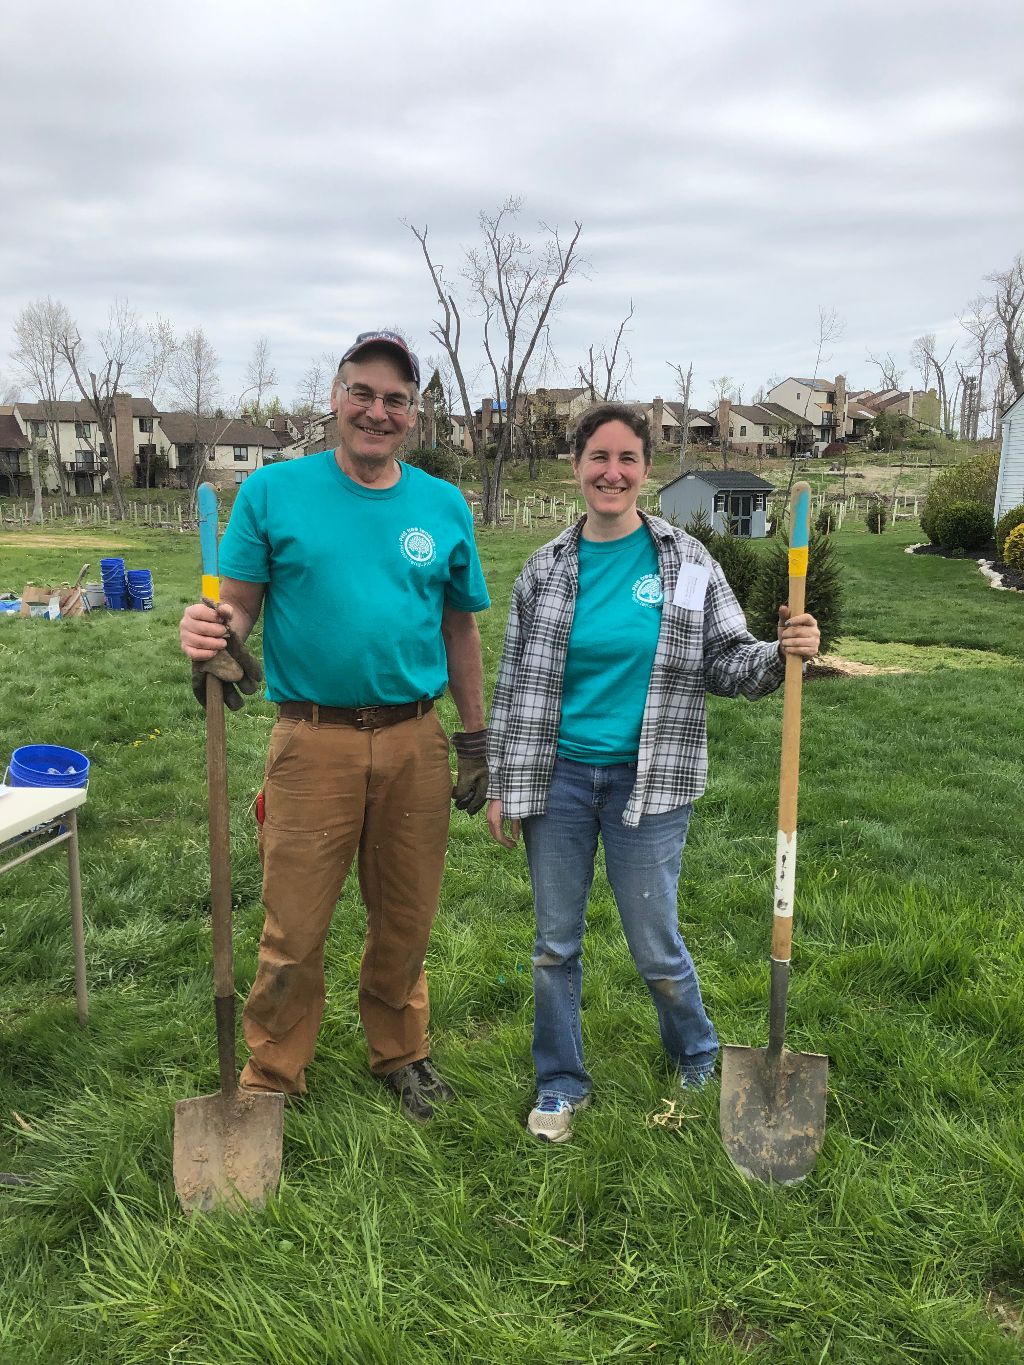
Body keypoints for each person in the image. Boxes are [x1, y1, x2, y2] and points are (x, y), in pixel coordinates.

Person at [485, 402, 820, 1144]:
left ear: (646, 468)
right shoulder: (544, 569)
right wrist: (503, 781)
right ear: (576, 467)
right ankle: (561, 1080)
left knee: (655, 942)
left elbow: (725, 659)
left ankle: (696, 1049)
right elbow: (512, 683)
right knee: (554, 944)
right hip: (557, 780)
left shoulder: (686, 563)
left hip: (652, 780)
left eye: (627, 458)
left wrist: (781, 652)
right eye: (597, 457)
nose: (612, 471)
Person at [179, 330, 491, 1123]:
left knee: (407, 915)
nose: (376, 412)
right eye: (363, 393)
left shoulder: (442, 505)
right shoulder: (275, 494)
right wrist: (219, 635)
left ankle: (403, 1052)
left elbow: (461, 631)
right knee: (295, 923)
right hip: (310, 738)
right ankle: (272, 1073)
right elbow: (239, 604)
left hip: (416, 737)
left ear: (413, 416)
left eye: (395, 400)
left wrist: (476, 735)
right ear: (334, 397)